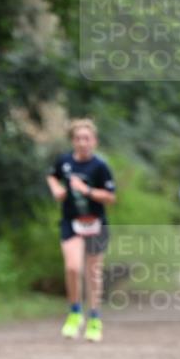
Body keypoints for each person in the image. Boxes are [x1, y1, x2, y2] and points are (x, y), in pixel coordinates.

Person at [46, 119, 116, 342]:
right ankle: (75, 312)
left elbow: (110, 197)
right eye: (78, 138)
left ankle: (95, 318)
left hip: (95, 223)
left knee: (93, 273)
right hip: (70, 222)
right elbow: (51, 175)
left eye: (87, 138)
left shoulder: (100, 166)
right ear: (72, 141)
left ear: (94, 141)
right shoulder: (64, 162)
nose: (82, 142)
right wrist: (57, 188)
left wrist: (86, 190)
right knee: (73, 267)